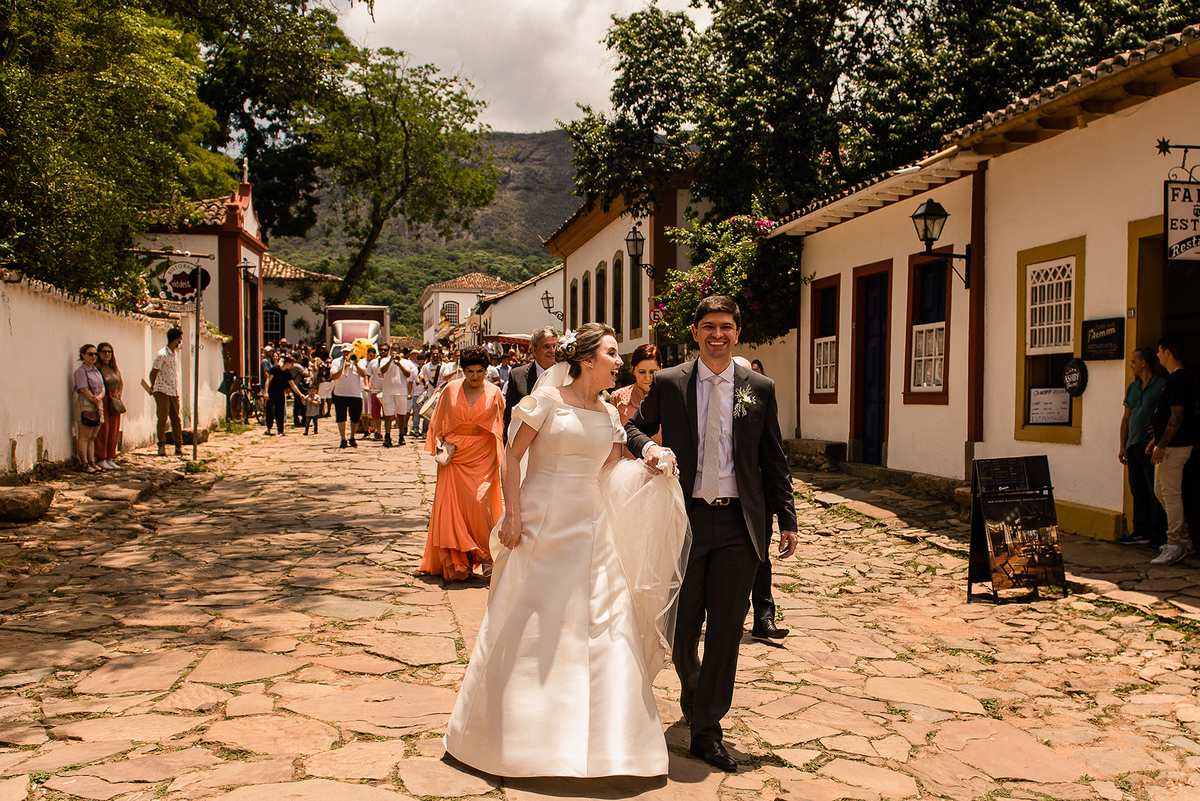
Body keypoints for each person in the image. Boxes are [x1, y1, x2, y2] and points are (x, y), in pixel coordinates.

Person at [445, 324, 689, 778]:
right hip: (542, 523)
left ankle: (616, 747)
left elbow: (612, 470)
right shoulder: (545, 402)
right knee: (532, 624)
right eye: (612, 353)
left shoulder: (609, 413)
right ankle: (513, 734)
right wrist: (513, 515)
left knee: (605, 624)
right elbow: (511, 456)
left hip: (592, 527)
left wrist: (650, 466)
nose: (620, 362)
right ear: (587, 359)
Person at [626, 295, 798, 773]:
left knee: (725, 631)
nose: (717, 335)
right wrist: (650, 449)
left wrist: (787, 519)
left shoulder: (759, 388)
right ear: (695, 333)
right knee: (682, 627)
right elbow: (633, 428)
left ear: (737, 333)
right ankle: (693, 691)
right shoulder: (669, 382)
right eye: (708, 326)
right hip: (685, 519)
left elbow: (773, 457)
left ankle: (707, 730)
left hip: (741, 524)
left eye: (725, 327)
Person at [418, 347, 505, 581]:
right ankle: (460, 560)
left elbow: (499, 427)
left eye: (480, 371)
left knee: (480, 503)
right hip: (455, 456)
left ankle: (486, 555)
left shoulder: (496, 393)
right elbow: (438, 421)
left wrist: (501, 456)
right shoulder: (450, 389)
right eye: (470, 371)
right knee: (454, 508)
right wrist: (439, 443)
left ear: (487, 370)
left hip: (482, 455)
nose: (475, 376)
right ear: (462, 370)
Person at [731, 356, 788, 641]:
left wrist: (787, 517)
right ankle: (735, 613)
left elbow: (776, 459)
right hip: (726, 501)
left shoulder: (762, 401)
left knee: (760, 559)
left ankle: (764, 619)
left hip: (757, 500)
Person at [1149, 333, 1196, 565]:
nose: (1158, 356)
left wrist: (1162, 444)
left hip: (1174, 447)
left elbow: (1177, 416)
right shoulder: (1174, 379)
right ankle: (1184, 537)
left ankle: (1174, 543)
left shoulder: (1179, 379)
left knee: (1170, 494)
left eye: (1159, 351)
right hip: (1167, 445)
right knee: (1160, 491)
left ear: (1167, 352)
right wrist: (1156, 440)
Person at [1119, 347, 1167, 548]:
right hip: (1133, 445)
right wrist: (1123, 445)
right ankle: (1141, 531)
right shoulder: (1132, 388)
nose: (1130, 365)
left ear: (1143, 362)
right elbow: (1127, 417)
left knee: (1155, 491)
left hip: (1150, 446)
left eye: (1133, 361)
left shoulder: (1162, 386)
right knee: (1137, 490)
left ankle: (1159, 533)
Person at [503, 326, 558, 443]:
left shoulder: (569, 374)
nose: (552, 350)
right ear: (534, 350)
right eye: (546, 347)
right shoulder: (517, 376)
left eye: (554, 346)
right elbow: (509, 417)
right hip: (526, 444)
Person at [610, 344, 663, 456]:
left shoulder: (670, 396)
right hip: (628, 463)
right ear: (633, 370)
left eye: (653, 372)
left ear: (661, 369)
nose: (648, 377)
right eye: (642, 372)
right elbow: (613, 439)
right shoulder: (618, 397)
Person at [150, 327, 183, 457]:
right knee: (162, 419)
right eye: (179, 340)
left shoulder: (175, 354)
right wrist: (152, 386)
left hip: (173, 391)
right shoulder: (162, 354)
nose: (180, 342)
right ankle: (161, 445)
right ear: (175, 340)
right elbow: (154, 372)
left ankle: (178, 445)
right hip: (162, 390)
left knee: (176, 419)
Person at [73, 344, 105, 474]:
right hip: (86, 403)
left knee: (93, 436)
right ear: (83, 355)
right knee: (85, 435)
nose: (93, 356)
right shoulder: (81, 371)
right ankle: (84, 463)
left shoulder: (96, 371)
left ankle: (92, 462)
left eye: (95, 354)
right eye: (90, 354)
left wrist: (99, 398)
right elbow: (83, 389)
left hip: (97, 403)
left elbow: (102, 388)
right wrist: (95, 400)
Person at [330, 344, 369, 449]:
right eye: (344, 352)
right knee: (341, 417)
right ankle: (343, 438)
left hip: (355, 394)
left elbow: (364, 374)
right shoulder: (336, 362)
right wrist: (343, 367)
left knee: (355, 417)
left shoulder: (359, 361)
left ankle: (352, 436)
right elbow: (333, 376)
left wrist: (356, 364)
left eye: (348, 352)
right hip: (340, 393)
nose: (346, 354)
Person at [94, 342, 124, 471]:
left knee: (114, 429)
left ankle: (110, 457)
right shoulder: (98, 368)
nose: (107, 354)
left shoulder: (114, 368)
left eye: (109, 352)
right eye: (104, 351)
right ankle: (101, 457)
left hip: (114, 399)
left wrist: (119, 394)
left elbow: (121, 381)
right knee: (103, 429)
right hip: (104, 399)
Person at [378, 345, 411, 447]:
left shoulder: (405, 362)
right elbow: (382, 371)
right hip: (388, 391)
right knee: (388, 415)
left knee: (401, 416)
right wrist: (391, 360)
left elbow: (408, 374)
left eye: (397, 350)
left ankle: (401, 436)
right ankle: (387, 436)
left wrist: (399, 364)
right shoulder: (384, 360)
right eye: (393, 349)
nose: (395, 351)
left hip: (401, 392)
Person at [263, 354, 300, 436]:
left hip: (280, 393)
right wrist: (266, 392)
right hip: (272, 392)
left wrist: (300, 395)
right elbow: (268, 381)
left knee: (280, 411)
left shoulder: (288, 373)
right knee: (271, 410)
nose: (292, 366)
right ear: (287, 363)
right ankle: (269, 428)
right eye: (292, 364)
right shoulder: (275, 369)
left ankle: (280, 430)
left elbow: (293, 385)